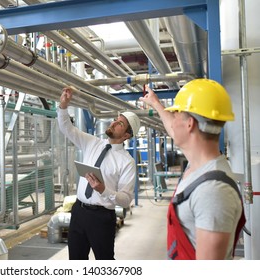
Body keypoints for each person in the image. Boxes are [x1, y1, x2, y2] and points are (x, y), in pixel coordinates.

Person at [139, 78, 246, 260]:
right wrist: (156, 103)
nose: (173, 121)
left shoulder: (213, 191)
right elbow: (174, 130)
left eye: (177, 114)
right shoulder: (198, 164)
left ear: (190, 124)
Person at [57, 86, 140, 260]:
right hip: (79, 211)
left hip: (102, 218)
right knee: (76, 259)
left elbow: (125, 200)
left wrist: (104, 190)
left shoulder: (127, 162)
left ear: (126, 136)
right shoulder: (93, 143)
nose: (114, 123)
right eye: (116, 120)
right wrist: (63, 107)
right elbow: (67, 129)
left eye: (120, 124)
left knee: (104, 260)